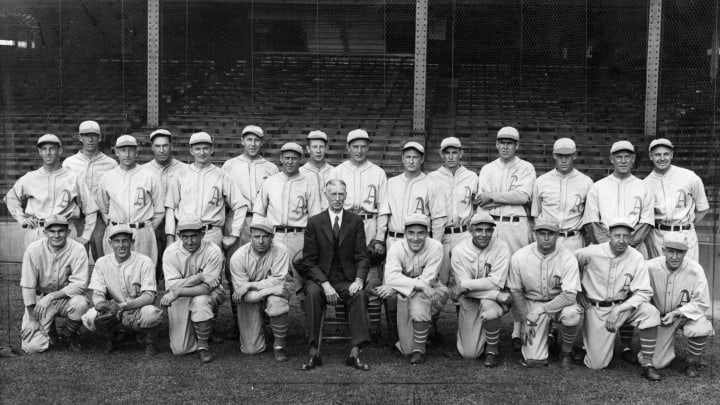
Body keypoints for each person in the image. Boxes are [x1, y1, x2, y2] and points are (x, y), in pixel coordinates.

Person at [165, 131, 248, 340]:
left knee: (213, 280)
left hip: (211, 232)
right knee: (185, 279)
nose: (202, 152)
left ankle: (208, 328)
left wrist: (234, 234)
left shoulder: (221, 175)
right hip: (185, 234)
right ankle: (186, 325)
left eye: (206, 148)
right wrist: (169, 236)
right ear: (191, 150)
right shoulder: (180, 174)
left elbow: (240, 205)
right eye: (197, 148)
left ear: (212, 149)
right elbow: (170, 207)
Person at [581, 141, 655, 359]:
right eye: (619, 156)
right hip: (604, 249)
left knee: (629, 292)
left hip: (633, 248)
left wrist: (626, 246)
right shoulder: (599, 186)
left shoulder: (643, 186)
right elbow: (592, 221)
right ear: (611, 159)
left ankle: (625, 345)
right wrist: (610, 246)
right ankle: (592, 340)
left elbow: (646, 222)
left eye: (628, 157)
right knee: (603, 294)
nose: (623, 160)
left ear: (633, 159)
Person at [574, 218, 662, 381]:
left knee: (650, 313)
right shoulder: (591, 252)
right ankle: (587, 345)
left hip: (623, 307)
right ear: (609, 235)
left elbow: (644, 291)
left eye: (626, 236)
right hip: (596, 308)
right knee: (597, 364)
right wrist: (578, 291)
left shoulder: (636, 257)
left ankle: (648, 364)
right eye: (617, 236)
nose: (621, 240)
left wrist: (619, 309)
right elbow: (569, 266)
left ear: (631, 237)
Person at [377, 141, 447, 343]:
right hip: (395, 238)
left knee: (427, 285)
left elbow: (439, 219)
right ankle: (394, 334)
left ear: (422, 159)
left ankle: (428, 326)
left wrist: (433, 245)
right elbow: (384, 213)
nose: (411, 160)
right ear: (402, 159)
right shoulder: (391, 183)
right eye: (407, 156)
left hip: (420, 241)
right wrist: (380, 239)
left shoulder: (431, 184)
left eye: (415, 157)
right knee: (391, 285)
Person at [300, 179, 371, 371]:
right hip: (321, 279)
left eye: (341, 194)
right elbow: (308, 261)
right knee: (313, 294)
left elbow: (362, 257)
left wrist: (358, 279)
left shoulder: (355, 221)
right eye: (333, 194)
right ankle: (314, 352)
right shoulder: (315, 222)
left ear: (346, 196)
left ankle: (355, 353)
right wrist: (324, 283)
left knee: (360, 294)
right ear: (326, 195)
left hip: (346, 279)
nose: (337, 199)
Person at [476, 126, 536, 349]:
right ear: (496, 144)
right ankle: (490, 325)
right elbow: (483, 201)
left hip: (516, 225)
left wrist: (493, 195)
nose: (505, 146)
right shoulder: (488, 169)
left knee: (517, 278)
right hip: (492, 225)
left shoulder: (526, 167)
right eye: (501, 142)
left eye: (510, 142)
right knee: (492, 275)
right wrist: (500, 198)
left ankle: (518, 328)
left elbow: (523, 196)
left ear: (517, 145)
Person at [332, 129, 388, 343]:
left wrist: (380, 237)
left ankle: (374, 328)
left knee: (371, 276)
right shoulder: (337, 171)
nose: (359, 150)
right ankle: (342, 326)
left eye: (363, 146)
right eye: (355, 146)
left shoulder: (378, 172)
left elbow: (383, 208)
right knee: (341, 274)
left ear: (368, 147)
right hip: (343, 223)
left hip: (369, 223)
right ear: (348, 147)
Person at [508, 219, 583, 369]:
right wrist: (524, 320)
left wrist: (538, 312)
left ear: (558, 235)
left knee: (572, 315)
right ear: (535, 234)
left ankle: (566, 351)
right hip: (532, 301)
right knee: (534, 360)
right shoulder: (520, 256)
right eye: (542, 233)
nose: (546, 238)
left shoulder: (568, 257)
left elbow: (569, 296)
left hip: (559, 303)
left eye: (551, 234)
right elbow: (515, 292)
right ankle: (547, 337)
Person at [376, 214, 448, 365]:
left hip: (432, 290)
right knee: (406, 348)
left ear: (427, 233)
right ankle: (411, 336)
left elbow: (428, 279)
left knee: (419, 304)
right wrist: (402, 288)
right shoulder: (396, 247)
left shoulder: (436, 246)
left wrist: (396, 288)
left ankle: (419, 349)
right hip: (408, 292)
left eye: (420, 233)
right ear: (405, 233)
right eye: (411, 233)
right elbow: (391, 278)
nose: (416, 238)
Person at [5, 134, 98, 248]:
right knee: (36, 265)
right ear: (40, 152)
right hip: (38, 231)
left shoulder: (73, 177)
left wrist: (86, 236)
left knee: (66, 266)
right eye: (44, 149)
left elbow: (91, 208)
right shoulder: (30, 177)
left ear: (60, 151)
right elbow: (11, 198)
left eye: (52, 148)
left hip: (65, 231)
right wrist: (22, 219)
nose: (48, 153)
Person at [253, 142, 321, 297]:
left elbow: (315, 217)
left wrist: (312, 242)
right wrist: (258, 236)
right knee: (269, 279)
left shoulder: (309, 183)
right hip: (274, 235)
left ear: (300, 160)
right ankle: (271, 318)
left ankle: (308, 318)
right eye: (287, 158)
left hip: (299, 236)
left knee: (304, 281)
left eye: (294, 158)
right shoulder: (270, 181)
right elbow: (258, 212)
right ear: (281, 159)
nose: (290, 161)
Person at [85, 225, 163, 355]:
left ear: (132, 242)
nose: (121, 245)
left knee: (152, 314)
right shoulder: (101, 262)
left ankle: (149, 342)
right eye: (116, 241)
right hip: (114, 312)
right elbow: (97, 293)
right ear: (110, 243)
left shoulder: (144, 261)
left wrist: (122, 306)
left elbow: (149, 296)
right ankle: (111, 338)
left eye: (125, 240)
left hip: (138, 310)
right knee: (91, 315)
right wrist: (102, 305)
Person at [646, 232, 715, 377]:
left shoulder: (696, 270)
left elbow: (702, 302)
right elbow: (640, 295)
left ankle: (692, 361)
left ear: (686, 252)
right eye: (670, 251)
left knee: (701, 326)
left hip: (685, 315)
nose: (675, 257)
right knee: (657, 363)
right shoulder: (649, 267)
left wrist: (678, 313)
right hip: (661, 318)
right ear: (663, 250)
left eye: (680, 252)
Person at [19, 215, 91, 353]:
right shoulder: (33, 249)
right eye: (52, 231)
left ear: (68, 232)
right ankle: (50, 330)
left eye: (61, 231)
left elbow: (80, 284)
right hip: (40, 302)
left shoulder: (78, 249)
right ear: (45, 232)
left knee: (82, 304)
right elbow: (27, 285)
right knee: (32, 347)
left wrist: (51, 297)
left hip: (66, 299)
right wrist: (33, 319)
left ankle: (69, 334)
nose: (56, 235)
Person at [161, 217, 226, 363]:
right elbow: (172, 286)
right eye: (185, 237)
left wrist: (179, 291)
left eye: (194, 236)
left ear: (202, 234)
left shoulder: (213, 250)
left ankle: (203, 345)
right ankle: (199, 327)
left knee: (204, 299)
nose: (189, 242)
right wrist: (198, 277)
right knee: (180, 349)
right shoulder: (170, 252)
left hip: (199, 294)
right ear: (179, 236)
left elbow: (207, 287)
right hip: (180, 297)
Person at [451, 212, 511, 366]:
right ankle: (478, 333)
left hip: (489, 300)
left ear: (493, 231)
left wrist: (465, 285)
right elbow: (465, 288)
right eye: (479, 230)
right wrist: (497, 295)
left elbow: (495, 283)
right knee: (469, 354)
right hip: (471, 300)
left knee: (490, 308)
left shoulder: (501, 247)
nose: (484, 234)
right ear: (470, 230)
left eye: (488, 230)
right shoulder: (459, 250)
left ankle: (492, 350)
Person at [228, 217, 291, 361]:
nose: (261, 241)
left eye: (265, 237)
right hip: (250, 300)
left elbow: (278, 282)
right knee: (251, 349)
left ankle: (279, 345)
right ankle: (264, 328)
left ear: (272, 237)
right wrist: (269, 289)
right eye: (257, 237)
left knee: (277, 300)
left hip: (268, 295)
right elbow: (243, 296)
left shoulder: (281, 250)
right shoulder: (238, 257)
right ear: (250, 237)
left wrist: (250, 285)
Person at [98, 135, 163, 266]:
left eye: (131, 150)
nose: (127, 154)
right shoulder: (107, 177)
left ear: (136, 151)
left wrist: (145, 227)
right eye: (123, 150)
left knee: (144, 272)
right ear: (116, 152)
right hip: (117, 232)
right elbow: (104, 209)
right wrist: (115, 224)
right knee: (115, 273)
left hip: (142, 232)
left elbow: (160, 210)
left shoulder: (150, 176)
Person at [643, 138, 709, 261]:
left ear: (672, 155)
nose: (662, 158)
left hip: (685, 234)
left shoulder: (689, 177)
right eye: (657, 154)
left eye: (666, 154)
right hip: (658, 235)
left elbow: (703, 208)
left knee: (688, 276)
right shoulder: (645, 184)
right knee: (659, 275)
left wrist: (686, 225)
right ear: (650, 156)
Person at [427, 137, 478, 290]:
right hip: (440, 234)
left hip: (463, 233)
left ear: (461, 153)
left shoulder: (472, 177)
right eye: (447, 153)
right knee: (437, 278)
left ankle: (461, 313)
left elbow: (477, 205)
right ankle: (434, 313)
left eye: (454, 152)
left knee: (463, 279)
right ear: (441, 154)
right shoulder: (432, 178)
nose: (450, 156)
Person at [63, 120, 118, 259]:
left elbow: (115, 193)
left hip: (100, 218)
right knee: (75, 258)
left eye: (94, 135)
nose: (90, 139)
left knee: (102, 257)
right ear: (80, 137)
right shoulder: (69, 163)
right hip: (77, 217)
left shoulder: (110, 163)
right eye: (86, 135)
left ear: (100, 137)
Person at [531, 138, 593, 251]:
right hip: (547, 238)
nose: (563, 160)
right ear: (554, 155)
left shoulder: (586, 182)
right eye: (560, 156)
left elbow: (588, 217)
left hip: (574, 239)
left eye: (568, 156)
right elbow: (536, 214)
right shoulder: (541, 181)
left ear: (574, 156)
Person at [142, 128, 187, 281]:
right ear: (152, 147)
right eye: (157, 146)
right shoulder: (144, 170)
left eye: (165, 146)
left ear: (171, 146)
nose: (161, 150)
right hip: (152, 223)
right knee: (150, 267)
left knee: (176, 266)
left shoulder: (184, 169)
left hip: (177, 223)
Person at [300, 130, 335, 211]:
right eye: (314, 147)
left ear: (326, 148)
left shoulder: (335, 172)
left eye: (321, 147)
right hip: (308, 220)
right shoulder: (300, 173)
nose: (318, 151)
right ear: (308, 149)